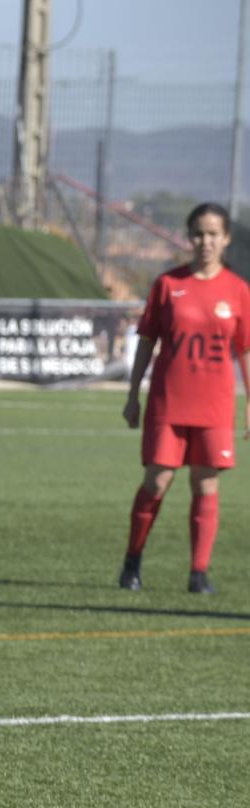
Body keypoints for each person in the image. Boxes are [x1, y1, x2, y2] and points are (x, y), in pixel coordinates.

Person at [119, 202, 250, 595]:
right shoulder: (167, 285)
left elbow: (245, 351)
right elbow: (146, 343)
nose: (205, 241)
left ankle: (198, 574)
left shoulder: (238, 291)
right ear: (188, 237)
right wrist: (132, 395)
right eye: (198, 233)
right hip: (168, 402)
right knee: (157, 481)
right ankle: (132, 561)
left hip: (214, 406)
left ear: (225, 239)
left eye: (213, 234)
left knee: (206, 485)